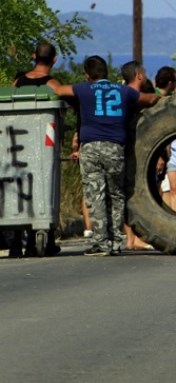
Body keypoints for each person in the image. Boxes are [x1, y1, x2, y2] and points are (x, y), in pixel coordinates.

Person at [50, 56, 159, 256]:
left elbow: (57, 89)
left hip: (90, 147)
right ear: (106, 72)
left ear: (87, 75)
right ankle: (117, 241)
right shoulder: (124, 91)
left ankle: (101, 243)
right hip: (115, 147)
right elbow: (149, 99)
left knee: (95, 195)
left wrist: (48, 78)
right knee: (116, 195)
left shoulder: (83, 88)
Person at [9, 42, 63, 257]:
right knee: (42, 187)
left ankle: (15, 240)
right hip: (42, 149)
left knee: (16, 186)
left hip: (14, 147)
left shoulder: (18, 83)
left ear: (33, 56)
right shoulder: (52, 85)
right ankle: (37, 238)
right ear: (55, 60)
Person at [120, 60, 156, 251]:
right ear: (139, 75)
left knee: (127, 191)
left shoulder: (121, 92)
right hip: (130, 147)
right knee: (132, 191)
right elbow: (150, 100)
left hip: (123, 145)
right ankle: (134, 238)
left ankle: (131, 238)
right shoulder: (130, 93)